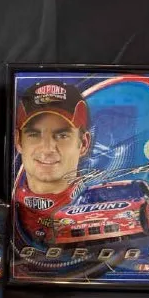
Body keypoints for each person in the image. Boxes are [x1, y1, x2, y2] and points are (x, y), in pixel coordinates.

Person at [13, 80, 91, 244]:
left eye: (62, 135)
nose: (47, 149)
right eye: (34, 134)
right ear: (18, 141)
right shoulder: (2, 212)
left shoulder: (101, 210)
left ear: (84, 144)